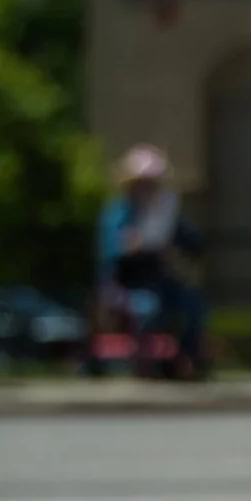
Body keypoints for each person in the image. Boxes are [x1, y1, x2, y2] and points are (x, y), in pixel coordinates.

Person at [96, 144, 207, 378]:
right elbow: (109, 256)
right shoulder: (117, 213)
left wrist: (178, 242)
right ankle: (143, 366)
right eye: (142, 183)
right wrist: (127, 248)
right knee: (148, 309)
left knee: (193, 304)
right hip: (126, 284)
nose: (147, 189)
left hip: (158, 280)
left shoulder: (163, 214)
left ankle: (185, 362)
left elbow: (194, 244)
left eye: (152, 184)